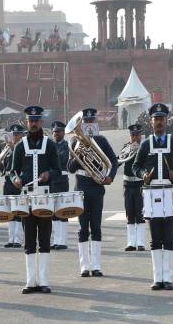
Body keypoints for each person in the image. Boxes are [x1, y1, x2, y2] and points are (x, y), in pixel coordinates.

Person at [132, 103, 173, 290]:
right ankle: (157, 278)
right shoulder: (146, 144)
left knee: (168, 237)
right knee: (155, 237)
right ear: (151, 121)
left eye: (161, 119)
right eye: (156, 119)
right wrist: (143, 176)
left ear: (166, 121)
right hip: (151, 193)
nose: (159, 122)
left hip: (168, 192)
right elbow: (136, 166)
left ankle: (169, 277)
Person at [10, 106, 61, 294]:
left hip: (45, 196)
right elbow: (11, 171)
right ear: (27, 122)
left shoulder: (50, 144)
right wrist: (14, 179)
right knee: (29, 238)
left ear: (41, 122)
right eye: (30, 121)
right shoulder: (19, 145)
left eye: (36, 121)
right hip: (26, 196)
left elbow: (58, 169)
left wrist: (50, 173)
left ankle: (44, 280)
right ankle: (31, 281)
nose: (33, 124)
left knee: (45, 238)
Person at [68, 108, 118, 278]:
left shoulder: (102, 140)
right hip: (81, 186)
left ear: (95, 123)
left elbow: (113, 160)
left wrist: (110, 176)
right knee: (83, 228)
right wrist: (78, 153)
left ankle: (96, 265)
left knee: (96, 226)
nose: (88, 125)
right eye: (85, 122)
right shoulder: (76, 141)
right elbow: (70, 168)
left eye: (91, 122)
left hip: (97, 187)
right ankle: (84, 266)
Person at [120, 124, 145, 251]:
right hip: (128, 185)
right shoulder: (126, 147)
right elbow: (118, 162)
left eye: (137, 135)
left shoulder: (145, 148)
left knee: (140, 213)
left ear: (141, 135)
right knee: (129, 213)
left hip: (140, 184)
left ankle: (140, 242)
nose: (135, 138)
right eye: (133, 135)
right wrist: (128, 151)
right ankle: (131, 242)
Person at [2, 124, 24, 249]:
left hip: (19, 182)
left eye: (17, 134)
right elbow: (3, 167)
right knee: (10, 212)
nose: (15, 136)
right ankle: (11, 238)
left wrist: (14, 148)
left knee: (19, 211)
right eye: (13, 134)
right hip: (8, 183)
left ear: (21, 135)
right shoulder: (7, 149)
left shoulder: (22, 148)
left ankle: (18, 239)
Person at [50, 121, 70, 250]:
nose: (56, 134)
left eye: (58, 131)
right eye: (54, 132)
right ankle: (56, 240)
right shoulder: (51, 146)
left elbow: (61, 160)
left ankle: (63, 241)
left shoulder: (66, 146)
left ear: (63, 132)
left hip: (62, 181)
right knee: (53, 212)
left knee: (62, 211)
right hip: (52, 181)